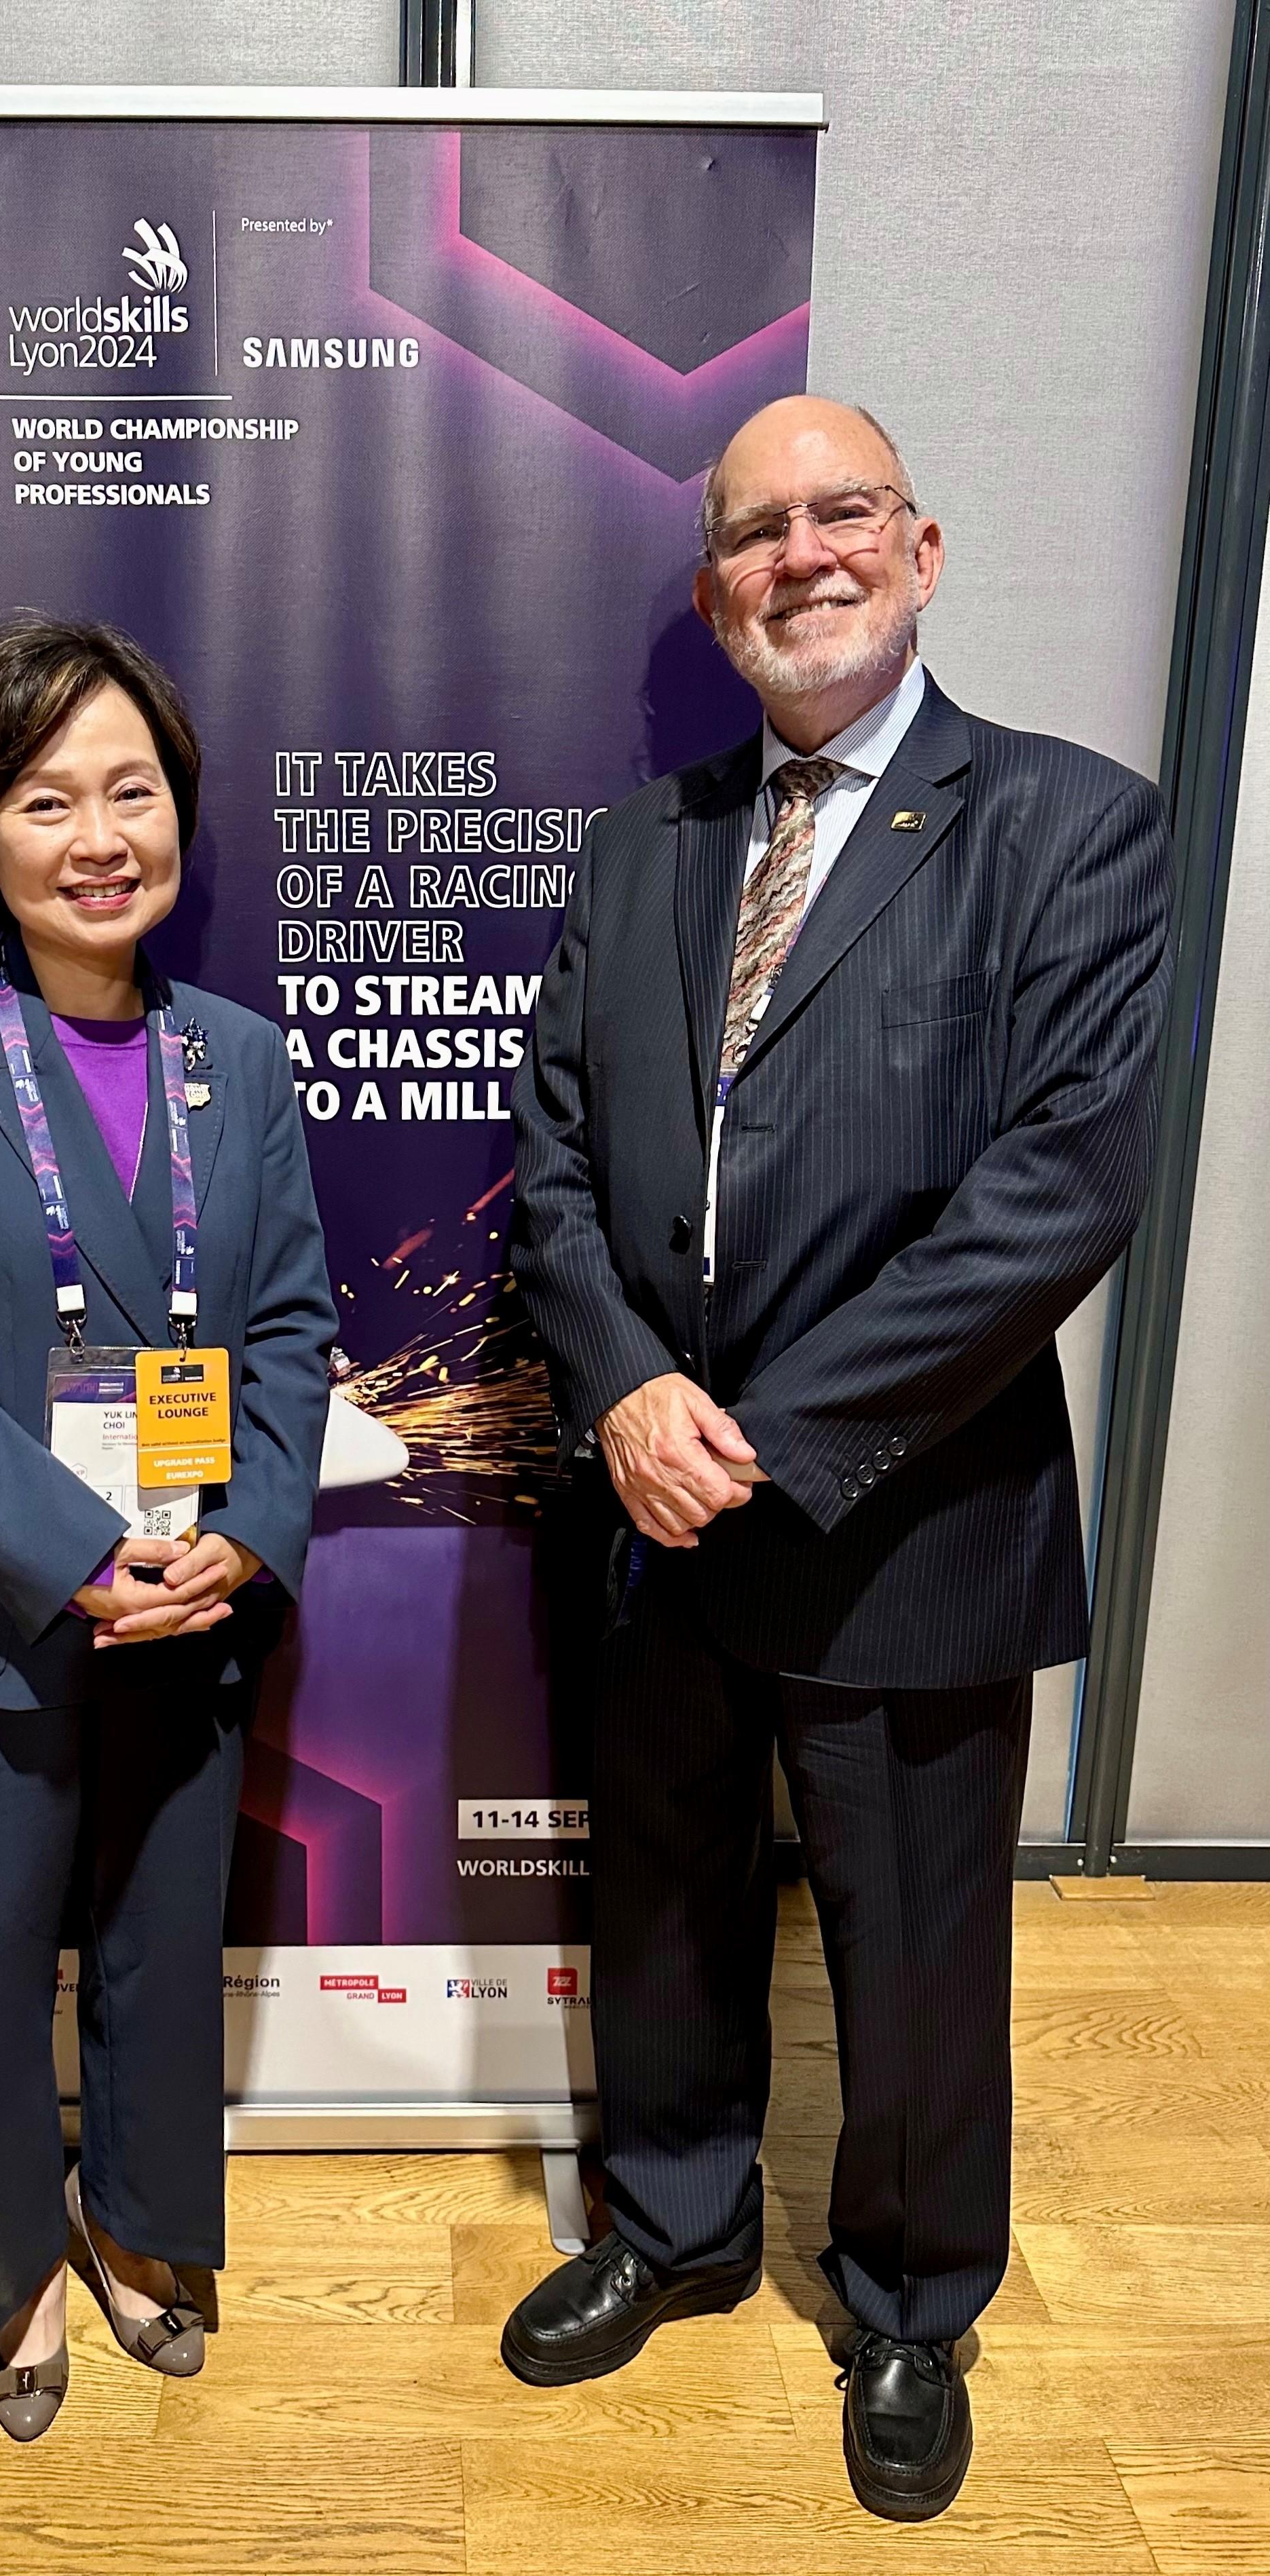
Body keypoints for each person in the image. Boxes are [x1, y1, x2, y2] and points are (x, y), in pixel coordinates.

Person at [504, 397, 1174, 2521]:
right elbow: (554, 1166)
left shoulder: (1073, 825)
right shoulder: (645, 845)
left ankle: (907, 2298)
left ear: (923, 545)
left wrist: (763, 1440)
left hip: (907, 1514)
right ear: (714, 594)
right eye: (757, 533)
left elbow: (1056, 1193)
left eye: (841, 514)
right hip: (651, 1503)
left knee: (913, 1938)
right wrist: (622, 1390)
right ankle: (677, 2224)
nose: (802, 554)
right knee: (669, 1903)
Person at [0, 616, 335, 2441]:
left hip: (190, 1593)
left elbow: (289, 1325)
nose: (97, 834)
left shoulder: (244, 1065)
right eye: (49, 798)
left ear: (180, 817)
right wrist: (73, 1548)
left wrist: (247, 1529)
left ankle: (139, 2213)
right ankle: (0, 2264)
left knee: (155, 1933)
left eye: (132, 789)